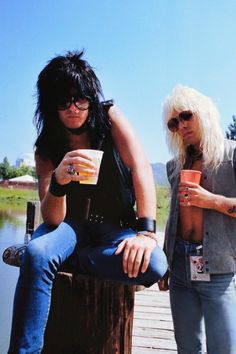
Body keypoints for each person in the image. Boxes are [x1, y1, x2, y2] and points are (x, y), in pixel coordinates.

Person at [8, 50, 167, 353]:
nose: (73, 108)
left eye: (80, 98)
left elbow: (141, 166)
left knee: (155, 264)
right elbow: (52, 220)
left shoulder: (109, 118)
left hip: (114, 226)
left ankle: (72, 260)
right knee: (39, 252)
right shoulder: (46, 147)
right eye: (63, 101)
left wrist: (146, 233)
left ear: (91, 97)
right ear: (50, 104)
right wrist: (58, 181)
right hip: (69, 227)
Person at [158, 85, 236, 354]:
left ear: (204, 113)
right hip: (180, 265)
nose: (181, 125)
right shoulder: (175, 165)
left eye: (186, 115)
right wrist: (166, 262)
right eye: (173, 122)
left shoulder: (232, 155)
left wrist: (211, 201)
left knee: (223, 349)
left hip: (219, 266)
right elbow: (173, 217)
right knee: (187, 348)